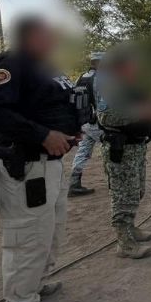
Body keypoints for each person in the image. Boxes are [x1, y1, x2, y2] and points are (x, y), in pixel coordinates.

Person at [0, 16, 80, 302]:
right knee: (28, 238)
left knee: (49, 231)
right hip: (26, 166)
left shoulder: (43, 68)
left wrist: (67, 133)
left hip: (49, 164)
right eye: (49, 34)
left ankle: (35, 284)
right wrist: (44, 135)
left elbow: (45, 108)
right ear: (32, 36)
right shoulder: (12, 63)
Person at [95, 45, 151, 260]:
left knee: (136, 192)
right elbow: (105, 117)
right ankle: (124, 244)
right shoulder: (113, 87)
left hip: (137, 147)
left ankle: (132, 230)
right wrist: (142, 111)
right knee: (123, 197)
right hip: (121, 149)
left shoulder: (132, 85)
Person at [66, 52, 103, 197]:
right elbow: (103, 103)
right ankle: (115, 182)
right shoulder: (102, 78)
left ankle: (74, 183)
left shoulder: (82, 76)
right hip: (99, 123)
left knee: (82, 153)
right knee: (112, 149)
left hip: (85, 122)